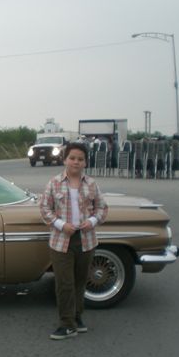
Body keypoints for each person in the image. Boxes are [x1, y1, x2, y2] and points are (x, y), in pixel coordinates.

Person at [39, 142, 108, 340]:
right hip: (61, 240)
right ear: (64, 160)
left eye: (80, 159)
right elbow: (45, 209)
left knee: (80, 282)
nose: (76, 162)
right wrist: (61, 224)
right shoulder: (54, 183)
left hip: (86, 240)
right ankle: (66, 324)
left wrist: (92, 221)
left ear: (85, 162)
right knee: (64, 283)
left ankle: (77, 318)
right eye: (72, 158)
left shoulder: (92, 184)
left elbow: (102, 208)